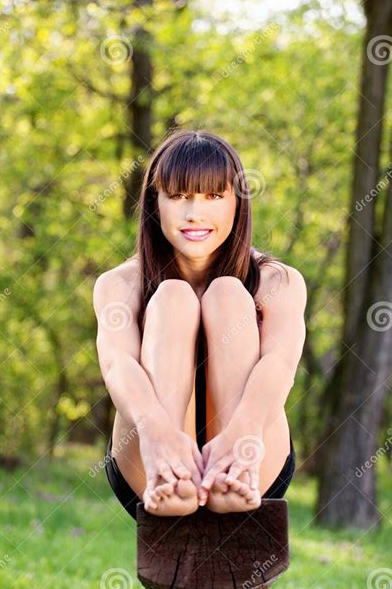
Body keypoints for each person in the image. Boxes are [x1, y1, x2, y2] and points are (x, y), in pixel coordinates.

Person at [93, 129, 307, 518]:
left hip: (253, 450)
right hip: (149, 455)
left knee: (226, 293)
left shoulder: (278, 281)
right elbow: (116, 365)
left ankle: (231, 472)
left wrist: (243, 434)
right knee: (173, 297)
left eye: (213, 196)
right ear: (155, 203)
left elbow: (281, 363)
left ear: (237, 203)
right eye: (178, 196)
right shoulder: (119, 284)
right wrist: (157, 433)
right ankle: (172, 477)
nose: (195, 213)